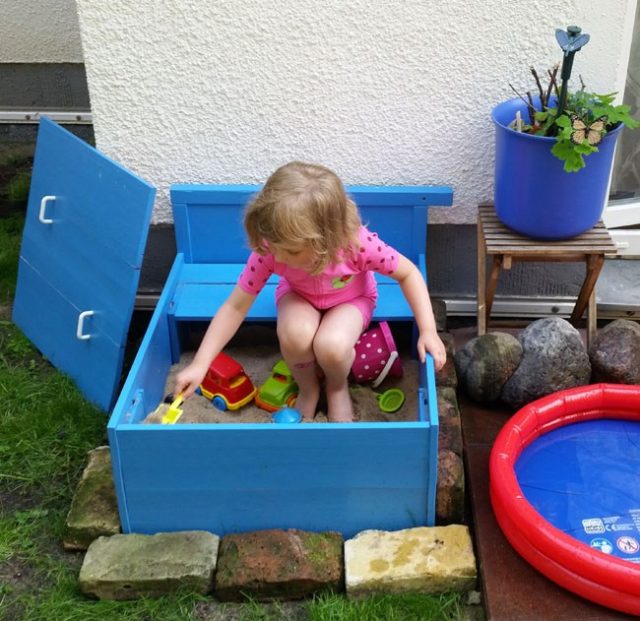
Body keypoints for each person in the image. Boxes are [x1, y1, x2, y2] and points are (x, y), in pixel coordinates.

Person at [173, 161, 446, 422]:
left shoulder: (355, 245)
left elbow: (408, 273)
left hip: (351, 300)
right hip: (299, 296)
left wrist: (428, 330)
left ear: (327, 240)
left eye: (291, 251)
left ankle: (336, 388)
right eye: (274, 245)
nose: (278, 255)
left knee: (331, 345)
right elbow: (235, 307)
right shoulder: (273, 248)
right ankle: (308, 387)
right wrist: (200, 363)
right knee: (295, 334)